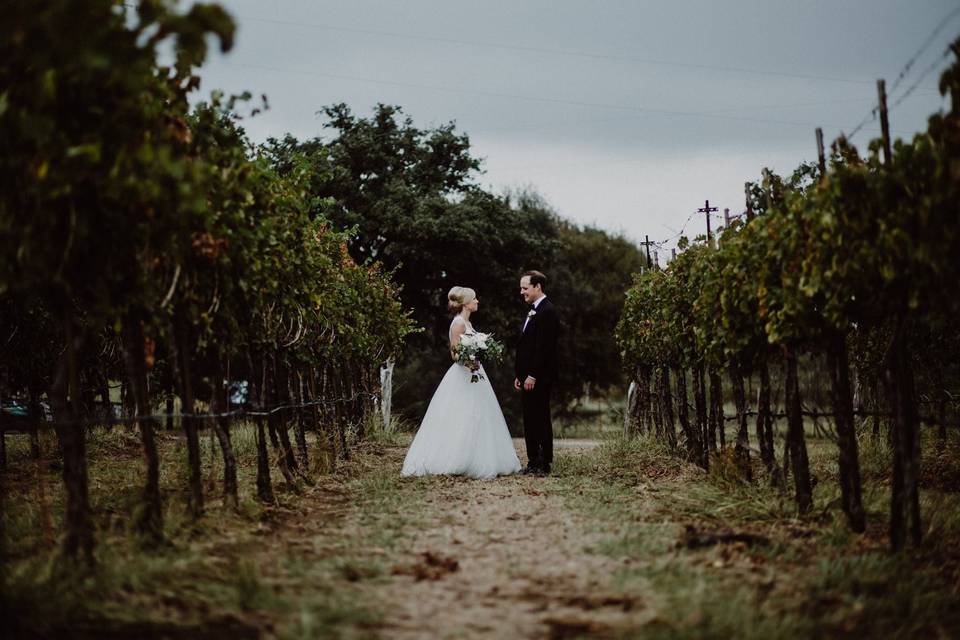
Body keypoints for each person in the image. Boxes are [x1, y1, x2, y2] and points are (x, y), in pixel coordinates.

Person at [401, 286, 522, 479]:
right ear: (466, 303)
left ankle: (480, 456)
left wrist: (481, 355)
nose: (477, 302)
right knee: (461, 414)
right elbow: (455, 354)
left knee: (480, 415)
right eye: (474, 299)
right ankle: (454, 458)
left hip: (475, 373)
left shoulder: (468, 323)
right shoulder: (458, 324)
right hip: (463, 374)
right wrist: (471, 363)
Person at [514, 270, 559, 475]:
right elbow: (527, 346)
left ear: (537, 287)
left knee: (539, 418)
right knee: (530, 418)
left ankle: (543, 463)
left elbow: (544, 348)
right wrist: (520, 375)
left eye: (525, 288)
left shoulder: (547, 311)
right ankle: (533, 461)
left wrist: (532, 375)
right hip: (527, 377)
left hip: (538, 377)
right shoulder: (533, 310)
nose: (522, 292)